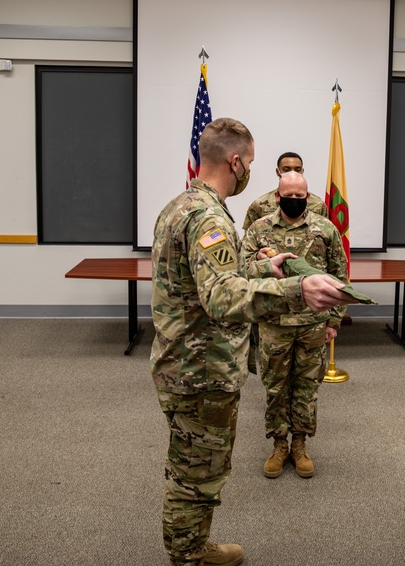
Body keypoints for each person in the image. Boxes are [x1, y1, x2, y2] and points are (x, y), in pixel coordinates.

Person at [151, 117, 355, 566]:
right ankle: (187, 556)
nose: (249, 175)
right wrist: (295, 290)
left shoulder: (180, 205)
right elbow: (222, 297)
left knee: (195, 464)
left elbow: (208, 279)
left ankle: (194, 546)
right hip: (200, 369)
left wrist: (266, 269)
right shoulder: (209, 216)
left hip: (184, 360)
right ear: (236, 161)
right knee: (196, 473)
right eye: (252, 165)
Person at [241, 171, 348, 479]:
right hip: (274, 321)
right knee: (275, 386)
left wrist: (334, 321)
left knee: (306, 387)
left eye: (300, 196)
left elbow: (339, 276)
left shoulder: (324, 228)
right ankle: (278, 444)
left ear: (307, 196)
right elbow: (241, 270)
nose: (293, 200)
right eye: (288, 195)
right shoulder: (259, 229)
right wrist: (260, 263)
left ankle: (300, 444)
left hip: (313, 324)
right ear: (277, 195)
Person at [242, 152, 327, 231]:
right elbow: (249, 238)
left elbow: (327, 233)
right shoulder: (259, 205)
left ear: (302, 171)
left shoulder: (318, 204)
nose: (292, 173)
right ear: (278, 172)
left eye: (297, 170)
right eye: (287, 169)